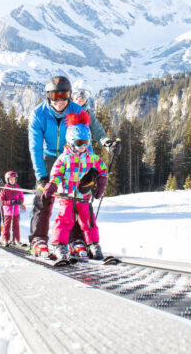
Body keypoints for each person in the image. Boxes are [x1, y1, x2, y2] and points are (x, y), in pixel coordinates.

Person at [28, 76, 120, 257]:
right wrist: (42, 176)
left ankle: (76, 239)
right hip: (49, 157)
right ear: (48, 96)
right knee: (43, 195)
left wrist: (91, 170)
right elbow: (35, 147)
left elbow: (88, 138)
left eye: (64, 95)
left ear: (70, 95)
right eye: (55, 96)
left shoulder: (77, 111)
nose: (60, 101)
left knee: (81, 197)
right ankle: (38, 239)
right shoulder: (38, 114)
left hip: (75, 157)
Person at [43, 111, 108, 261]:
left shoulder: (91, 157)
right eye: (79, 143)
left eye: (86, 142)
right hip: (68, 196)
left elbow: (102, 168)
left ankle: (93, 244)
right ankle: (59, 245)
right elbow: (56, 173)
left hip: (84, 197)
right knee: (65, 220)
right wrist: (52, 185)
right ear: (71, 142)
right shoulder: (64, 158)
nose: (83, 146)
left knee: (89, 220)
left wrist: (101, 183)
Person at [68, 85, 121, 257]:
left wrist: (108, 144)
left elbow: (99, 133)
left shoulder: (89, 114)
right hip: (70, 161)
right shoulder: (67, 112)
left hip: (87, 162)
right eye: (78, 95)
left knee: (84, 201)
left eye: (84, 96)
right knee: (71, 202)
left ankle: (86, 239)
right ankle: (74, 240)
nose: (81, 98)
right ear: (73, 96)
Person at [0, 171, 25, 245]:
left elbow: (22, 198)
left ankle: (16, 239)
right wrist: (10, 202)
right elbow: (2, 201)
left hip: (16, 211)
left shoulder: (18, 188)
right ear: (7, 180)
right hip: (8, 211)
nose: (12, 181)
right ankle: (5, 239)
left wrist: (20, 201)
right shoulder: (5, 189)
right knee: (7, 226)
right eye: (10, 179)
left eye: (14, 179)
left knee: (16, 226)